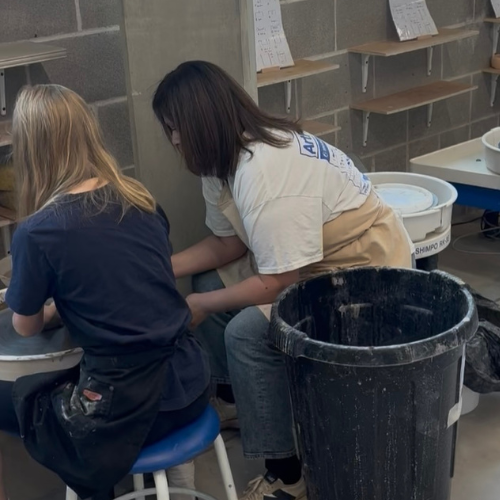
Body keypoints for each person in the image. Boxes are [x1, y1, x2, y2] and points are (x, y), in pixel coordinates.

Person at [152, 61, 414, 500]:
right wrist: (158, 267)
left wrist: (199, 308)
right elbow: (227, 245)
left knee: (245, 333)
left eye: (175, 127)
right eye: (168, 129)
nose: (174, 140)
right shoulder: (221, 162)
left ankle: (286, 475)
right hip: (308, 261)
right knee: (208, 282)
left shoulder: (266, 171)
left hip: (363, 270)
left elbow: (277, 282)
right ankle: (238, 401)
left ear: (202, 120)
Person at [0, 84, 210, 500]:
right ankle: (173, 477)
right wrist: (64, 308)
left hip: (132, 409)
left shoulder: (38, 232)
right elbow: (133, 287)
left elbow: (25, 327)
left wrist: (41, 306)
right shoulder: (141, 199)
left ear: (29, 151)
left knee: (31, 396)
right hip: (191, 381)